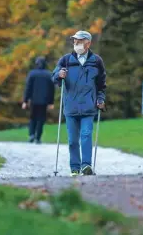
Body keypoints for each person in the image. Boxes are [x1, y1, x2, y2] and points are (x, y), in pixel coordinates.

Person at [51, 30, 106, 176]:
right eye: (75, 41)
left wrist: (101, 100)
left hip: (89, 106)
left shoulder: (96, 61)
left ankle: (86, 166)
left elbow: (101, 85)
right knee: (72, 140)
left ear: (88, 43)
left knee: (86, 135)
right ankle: (75, 168)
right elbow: (54, 76)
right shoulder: (66, 60)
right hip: (71, 107)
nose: (76, 43)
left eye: (79, 41)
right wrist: (59, 75)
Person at [22, 57, 55, 144]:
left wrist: (25, 101)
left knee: (32, 118)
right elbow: (52, 90)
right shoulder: (49, 75)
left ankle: (31, 134)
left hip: (34, 100)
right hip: (44, 101)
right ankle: (38, 137)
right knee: (41, 119)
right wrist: (51, 102)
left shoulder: (32, 74)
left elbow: (28, 88)